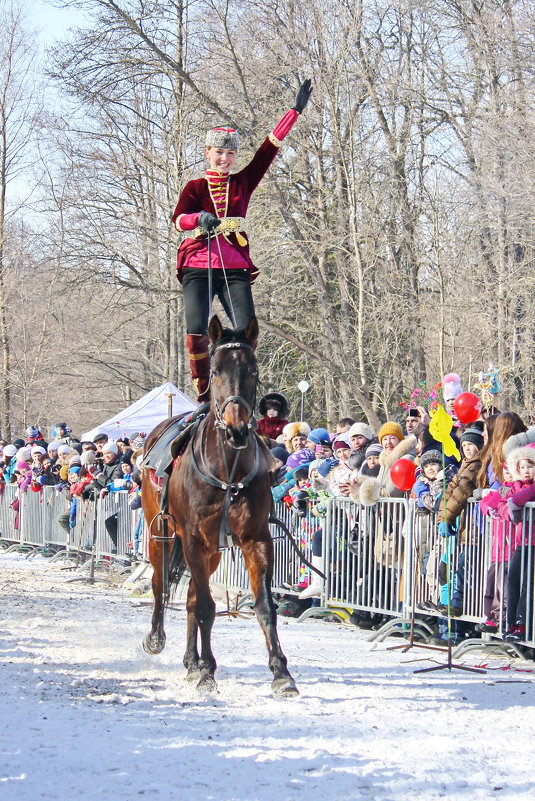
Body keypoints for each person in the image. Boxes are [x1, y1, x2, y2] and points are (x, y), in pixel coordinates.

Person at [171, 80, 312, 401]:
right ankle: (204, 395)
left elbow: (269, 148)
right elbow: (178, 218)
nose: (224, 159)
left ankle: (244, 391)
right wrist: (198, 219)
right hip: (198, 264)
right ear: (208, 153)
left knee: (248, 331)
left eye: (230, 153)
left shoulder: (243, 182)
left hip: (234, 265)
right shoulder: (195, 187)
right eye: (219, 152)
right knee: (195, 333)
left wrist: (294, 112)